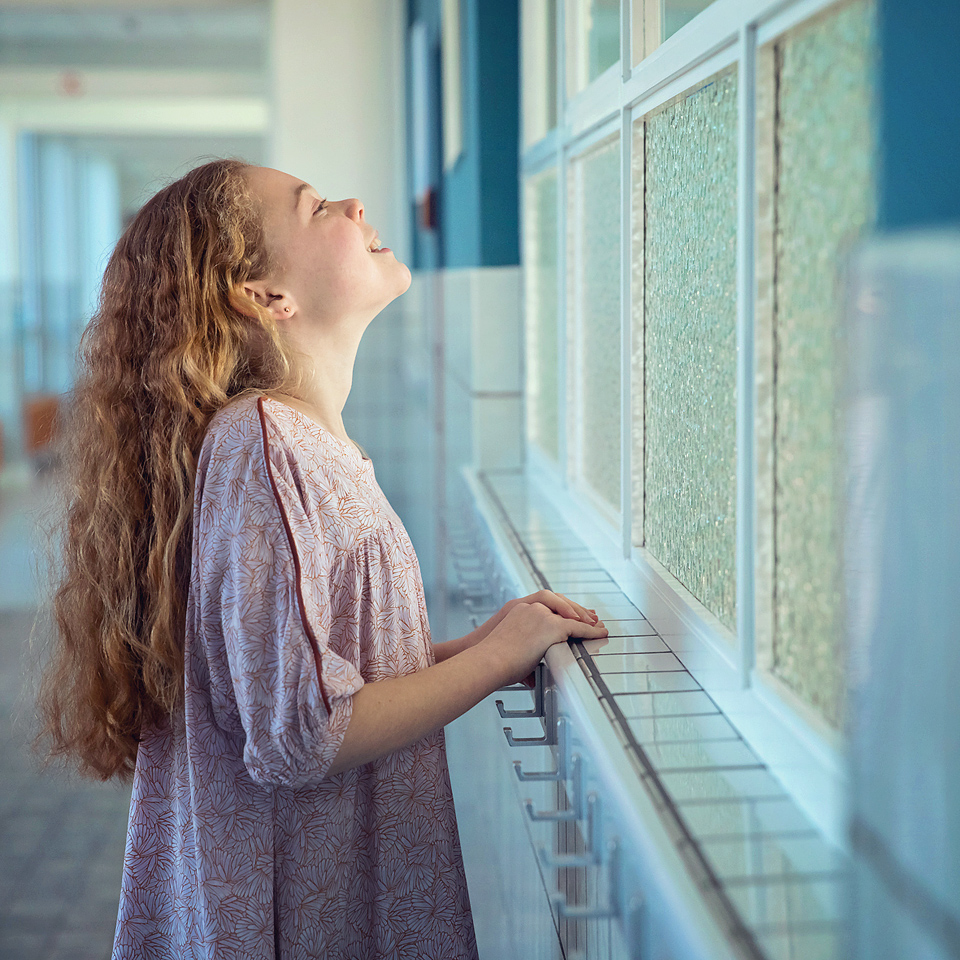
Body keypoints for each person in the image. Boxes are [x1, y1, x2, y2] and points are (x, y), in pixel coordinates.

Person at [37, 158, 608, 960]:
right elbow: (301, 734)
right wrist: (496, 661)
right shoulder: (267, 449)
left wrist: (486, 645)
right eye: (315, 208)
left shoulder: (296, 443)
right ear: (267, 297)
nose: (354, 203)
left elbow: (317, 680)